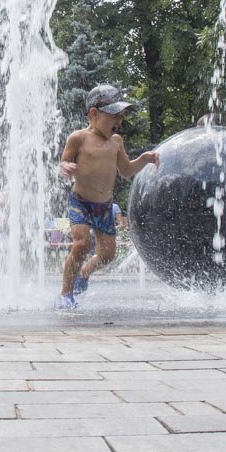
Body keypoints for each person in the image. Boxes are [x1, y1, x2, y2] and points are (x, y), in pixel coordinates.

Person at [56, 84, 160, 309]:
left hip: (104, 206)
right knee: (81, 244)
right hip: (81, 203)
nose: (119, 122)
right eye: (115, 116)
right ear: (94, 114)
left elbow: (126, 171)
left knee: (107, 254)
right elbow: (63, 162)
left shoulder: (116, 142)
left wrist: (143, 159)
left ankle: (84, 273)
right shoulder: (78, 138)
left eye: (121, 117)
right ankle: (65, 294)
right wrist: (64, 167)